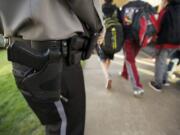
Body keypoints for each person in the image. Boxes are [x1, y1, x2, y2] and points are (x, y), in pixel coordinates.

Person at [0, 1, 103, 135]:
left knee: (56, 125)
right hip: (55, 62)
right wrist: (98, 25)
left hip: (23, 58)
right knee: (66, 127)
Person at [120, 0, 156, 96]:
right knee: (130, 58)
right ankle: (125, 73)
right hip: (141, 38)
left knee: (130, 60)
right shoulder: (147, 6)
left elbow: (124, 24)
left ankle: (137, 87)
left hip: (129, 38)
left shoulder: (127, 7)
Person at [149, 0, 180, 92]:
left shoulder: (166, 11)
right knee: (164, 60)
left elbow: (157, 26)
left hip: (165, 41)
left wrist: (154, 36)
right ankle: (164, 79)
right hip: (177, 42)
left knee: (160, 61)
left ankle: (158, 84)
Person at [97, 0, 121, 89]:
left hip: (104, 35)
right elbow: (121, 21)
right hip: (114, 37)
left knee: (101, 59)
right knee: (109, 55)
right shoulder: (116, 9)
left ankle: (107, 76)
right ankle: (107, 72)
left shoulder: (101, 8)